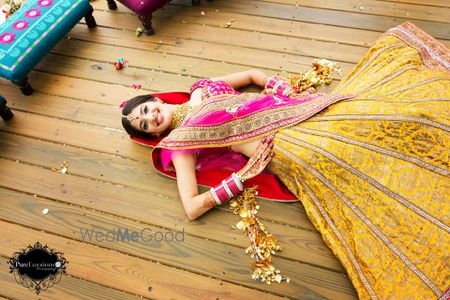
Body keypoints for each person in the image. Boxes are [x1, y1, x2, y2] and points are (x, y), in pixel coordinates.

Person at [121, 22, 449, 299]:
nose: (151, 118)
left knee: (375, 116)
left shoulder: (203, 88)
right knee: (343, 158)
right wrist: (242, 177)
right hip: (282, 146)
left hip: (293, 110)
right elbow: (191, 208)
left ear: (156, 99)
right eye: (145, 125)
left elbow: (251, 75)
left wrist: (277, 86)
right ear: (151, 135)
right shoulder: (182, 144)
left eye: (147, 110)